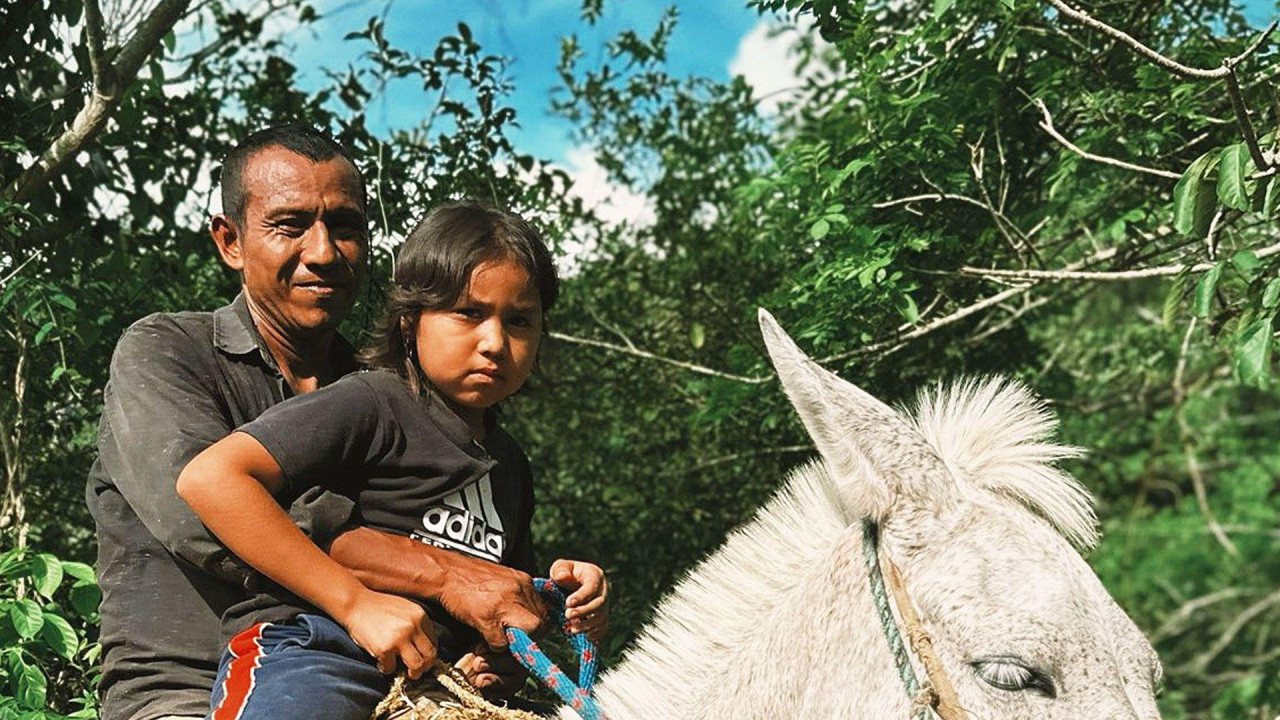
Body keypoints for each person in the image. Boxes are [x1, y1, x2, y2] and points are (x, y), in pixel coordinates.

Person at [86, 127, 549, 720]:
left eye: (346, 227)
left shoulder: (396, 395)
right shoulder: (167, 350)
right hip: (185, 689)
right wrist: (447, 577)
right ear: (229, 240)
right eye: (289, 225)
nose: (324, 251)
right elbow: (204, 509)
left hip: (393, 687)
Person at [176, 202, 609, 719]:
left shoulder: (511, 465)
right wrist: (355, 605)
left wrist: (554, 609)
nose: (495, 342)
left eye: (519, 321)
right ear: (410, 322)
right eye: (469, 313)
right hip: (319, 653)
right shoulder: (373, 402)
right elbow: (212, 478)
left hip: (439, 684)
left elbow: (497, 600)